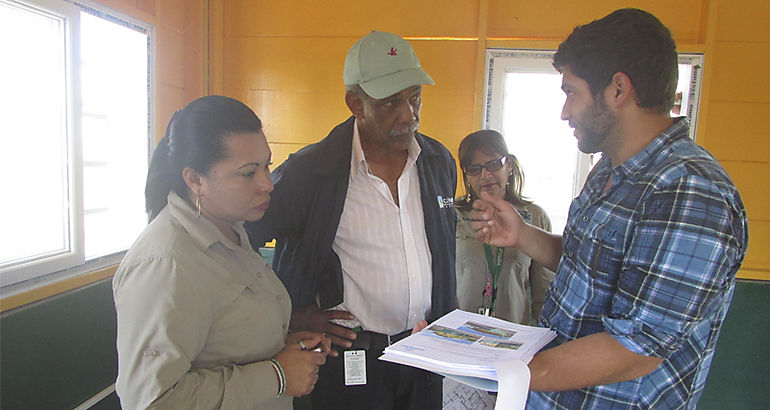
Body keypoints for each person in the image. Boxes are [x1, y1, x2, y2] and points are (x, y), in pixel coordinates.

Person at [470, 9, 749, 409]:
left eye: (571, 92)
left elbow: (635, 348)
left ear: (618, 90)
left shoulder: (690, 192)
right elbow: (589, 264)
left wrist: (502, 371)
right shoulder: (608, 170)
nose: (564, 112)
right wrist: (524, 235)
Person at [245, 31, 457, 409]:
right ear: (355, 104)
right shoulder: (310, 173)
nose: (409, 115)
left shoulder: (438, 162)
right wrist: (287, 315)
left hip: (424, 354)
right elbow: (241, 240)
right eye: (391, 103)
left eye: (414, 98)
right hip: (349, 362)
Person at [113, 95, 331, 409]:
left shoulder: (230, 229)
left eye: (266, 166)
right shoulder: (166, 264)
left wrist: (280, 347)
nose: (267, 184)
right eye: (247, 173)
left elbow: (222, 339)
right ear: (195, 179)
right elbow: (152, 401)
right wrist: (277, 375)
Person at [455, 129, 555, 324]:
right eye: (474, 169)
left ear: (508, 165)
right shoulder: (453, 215)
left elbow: (543, 293)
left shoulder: (535, 217)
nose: (485, 175)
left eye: (493, 164)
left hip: (514, 334)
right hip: (460, 333)